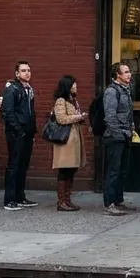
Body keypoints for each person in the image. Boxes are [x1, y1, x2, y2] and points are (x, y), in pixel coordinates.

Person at [0, 61, 37, 211]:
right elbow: (7, 112)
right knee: (14, 165)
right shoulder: (11, 89)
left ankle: (20, 197)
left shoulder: (28, 89)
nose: (27, 73)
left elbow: (31, 112)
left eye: (28, 70)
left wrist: (32, 131)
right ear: (17, 74)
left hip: (27, 133)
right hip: (16, 133)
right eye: (23, 71)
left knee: (23, 165)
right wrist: (18, 130)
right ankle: (9, 199)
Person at [101, 62, 135, 216]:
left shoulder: (125, 90)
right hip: (116, 136)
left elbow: (127, 112)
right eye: (126, 72)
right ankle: (109, 203)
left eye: (129, 72)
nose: (129, 74)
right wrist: (118, 134)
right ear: (117, 75)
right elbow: (110, 115)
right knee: (113, 171)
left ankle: (118, 200)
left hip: (126, 134)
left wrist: (131, 126)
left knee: (123, 170)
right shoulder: (111, 91)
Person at [50, 75, 87, 212]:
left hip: (74, 138)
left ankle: (67, 199)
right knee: (64, 170)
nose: (76, 86)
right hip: (65, 140)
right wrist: (78, 117)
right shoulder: (61, 101)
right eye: (73, 84)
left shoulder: (73, 100)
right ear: (67, 86)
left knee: (72, 170)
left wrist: (81, 117)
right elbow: (61, 119)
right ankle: (61, 202)